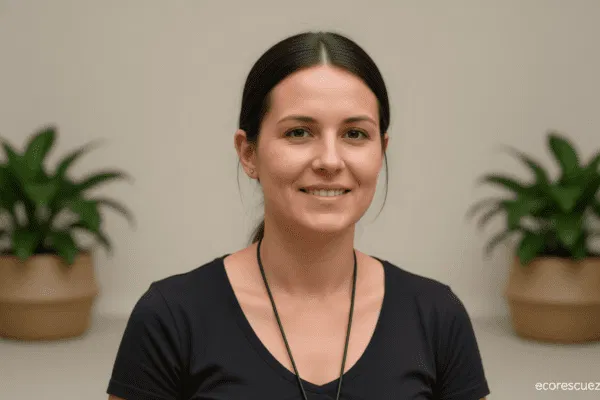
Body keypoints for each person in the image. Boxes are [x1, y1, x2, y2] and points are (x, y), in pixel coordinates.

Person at [107, 30, 490, 400]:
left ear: (382, 150)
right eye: (299, 132)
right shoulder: (171, 317)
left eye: (355, 134)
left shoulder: (437, 316)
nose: (329, 161)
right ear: (248, 153)